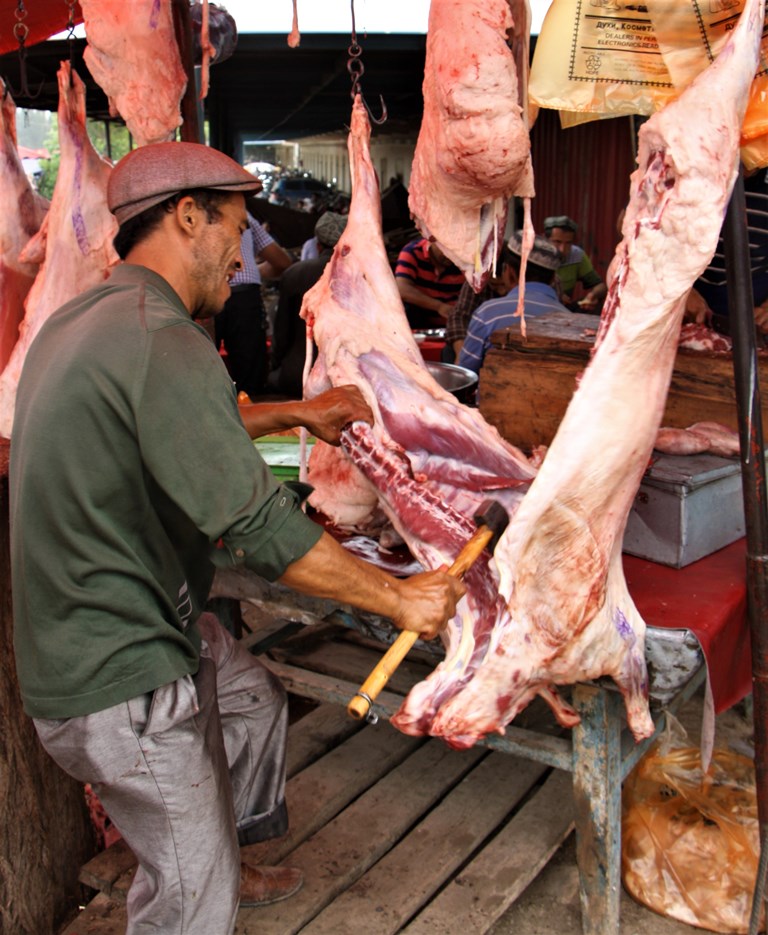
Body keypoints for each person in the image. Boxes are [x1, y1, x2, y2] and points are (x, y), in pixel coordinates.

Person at [9, 141, 464, 935]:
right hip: (117, 678)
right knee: (192, 909)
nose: (245, 251)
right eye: (235, 224)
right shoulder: (163, 337)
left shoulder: (92, 317)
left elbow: (172, 418)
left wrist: (297, 413)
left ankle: (223, 849)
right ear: (189, 215)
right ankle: (204, 871)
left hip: (86, 635)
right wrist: (400, 599)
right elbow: (258, 523)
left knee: (250, 695)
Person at [458, 232, 568, 374]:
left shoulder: (487, 313)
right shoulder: (568, 319)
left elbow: (467, 372)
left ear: (509, 272)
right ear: (553, 278)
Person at [214, 210, 293, 398]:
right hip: (244, 296)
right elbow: (282, 262)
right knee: (250, 377)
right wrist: (252, 271)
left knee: (201, 365)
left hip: (207, 294)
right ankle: (252, 415)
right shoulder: (244, 214)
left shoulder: (195, 207)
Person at [269, 211, 348, 398]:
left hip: (297, 377)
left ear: (318, 246)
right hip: (346, 378)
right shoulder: (362, 276)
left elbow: (282, 333)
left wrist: (275, 364)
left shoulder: (294, 273)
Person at [686, 166, 768, 336]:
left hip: (752, 318)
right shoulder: (690, 167)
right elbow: (631, 228)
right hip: (682, 308)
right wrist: (679, 293)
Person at [394, 236, 464, 329]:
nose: (451, 257)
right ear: (432, 241)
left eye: (455, 252)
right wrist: (439, 307)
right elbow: (402, 289)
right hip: (421, 323)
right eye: (447, 251)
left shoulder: (464, 259)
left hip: (457, 325)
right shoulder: (413, 251)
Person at [543, 214, 607, 312]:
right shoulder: (534, 254)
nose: (562, 249)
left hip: (564, 309)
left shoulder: (577, 255)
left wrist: (593, 295)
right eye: (557, 242)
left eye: (568, 243)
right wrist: (555, 295)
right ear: (545, 239)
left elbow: (600, 286)